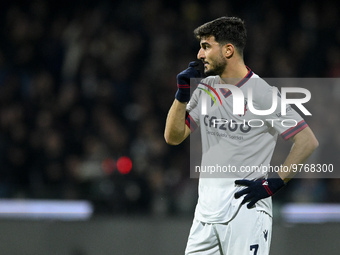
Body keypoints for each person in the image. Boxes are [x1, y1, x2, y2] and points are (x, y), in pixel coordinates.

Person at [164, 16, 319, 255]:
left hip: (246, 211)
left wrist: (273, 184)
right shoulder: (206, 88)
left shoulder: (262, 94)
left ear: (228, 50)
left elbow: (307, 140)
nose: (199, 54)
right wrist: (182, 95)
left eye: (206, 46)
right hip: (206, 214)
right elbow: (173, 137)